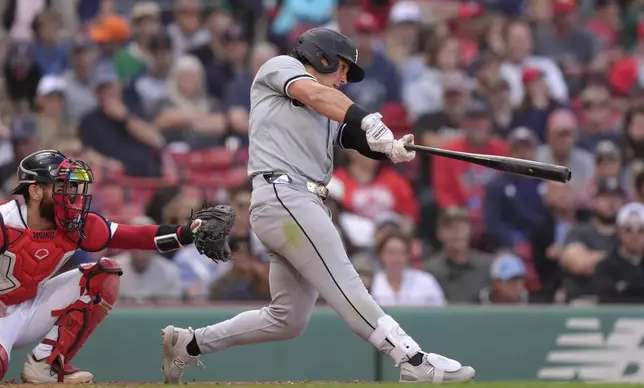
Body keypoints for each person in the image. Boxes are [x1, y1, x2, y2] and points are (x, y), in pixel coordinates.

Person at [161, 28, 475, 384]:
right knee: (346, 282)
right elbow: (315, 94)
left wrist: (388, 148)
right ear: (320, 55)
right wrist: (370, 120)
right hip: (285, 196)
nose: (344, 79)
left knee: (287, 319)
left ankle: (189, 343)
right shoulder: (281, 67)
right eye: (342, 68)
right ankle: (412, 358)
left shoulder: (326, 106)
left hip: (297, 202)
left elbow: (352, 136)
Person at [0, 149, 224, 383]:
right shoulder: (5, 221)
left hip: (32, 304)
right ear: (35, 191)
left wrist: (186, 234)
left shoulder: (74, 223)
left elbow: (137, 237)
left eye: (70, 186)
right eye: (60, 186)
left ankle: (47, 364)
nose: (69, 194)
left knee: (103, 275)